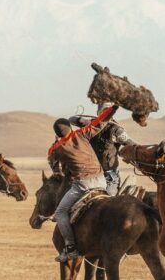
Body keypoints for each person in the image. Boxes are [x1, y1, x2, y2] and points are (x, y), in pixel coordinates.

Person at [48, 105, 117, 262]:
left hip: (82, 186)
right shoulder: (82, 134)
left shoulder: (56, 148)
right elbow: (100, 121)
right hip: (101, 181)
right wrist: (114, 107)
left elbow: (53, 163)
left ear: (57, 134)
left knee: (60, 212)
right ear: (71, 128)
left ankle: (71, 247)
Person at [69, 102, 135, 195]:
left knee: (109, 200)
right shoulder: (90, 126)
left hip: (109, 176)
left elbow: (132, 146)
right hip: (91, 174)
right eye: (104, 110)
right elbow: (71, 119)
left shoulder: (116, 130)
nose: (106, 113)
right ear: (98, 112)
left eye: (108, 110)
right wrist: (82, 120)